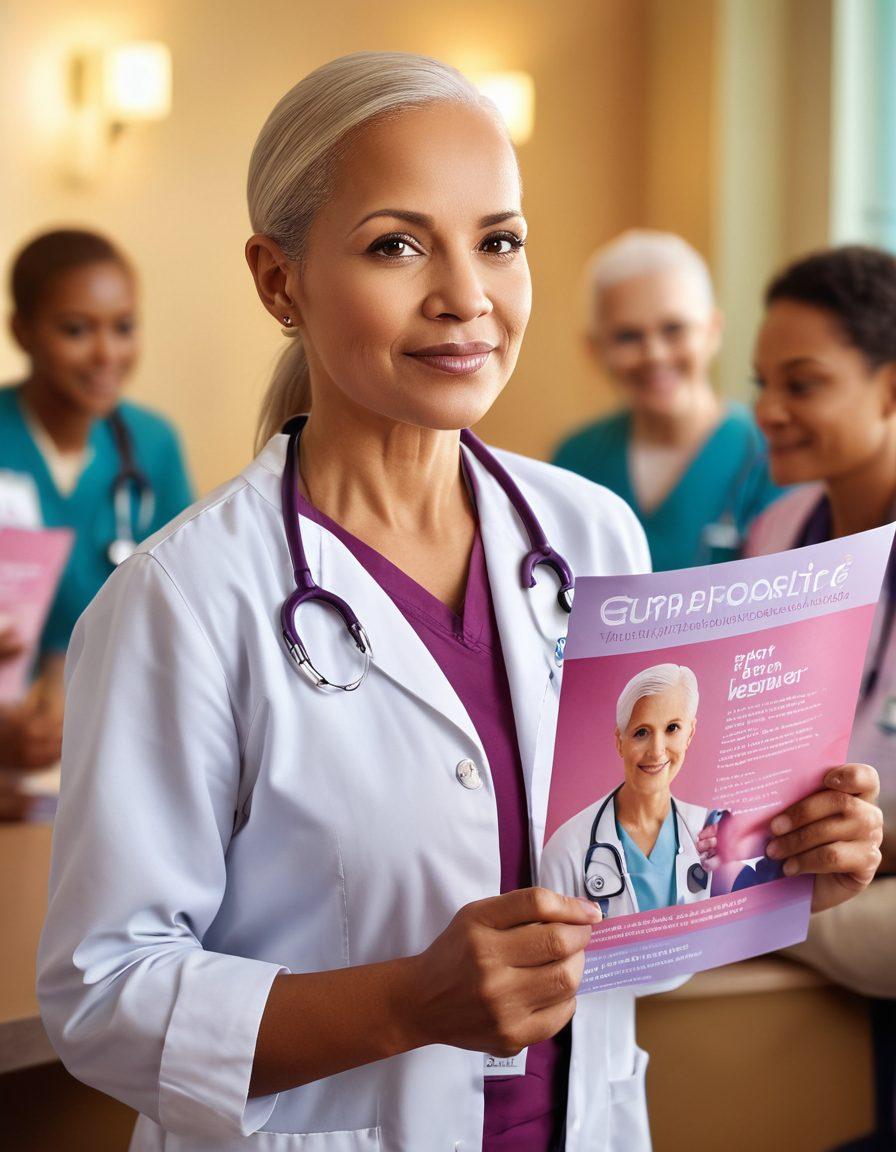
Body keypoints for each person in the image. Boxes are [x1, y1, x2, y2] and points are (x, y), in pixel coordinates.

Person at [37, 54, 884, 1152]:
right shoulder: (183, 602)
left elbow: (627, 920)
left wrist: (778, 870)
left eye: (498, 240)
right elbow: (104, 1000)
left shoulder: (588, 536)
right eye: (397, 244)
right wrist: (405, 1004)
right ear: (276, 280)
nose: (465, 296)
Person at [747, 245, 896, 1003]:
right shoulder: (777, 532)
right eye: (763, 384)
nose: (767, 410)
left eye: (801, 384)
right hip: (797, 865)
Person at [0, 229, 193, 794]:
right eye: (76, 330)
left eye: (123, 327)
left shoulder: (152, 444)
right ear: (22, 332)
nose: (107, 353)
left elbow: (184, 604)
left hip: (120, 739)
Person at [553, 231, 783, 571]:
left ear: (712, 331)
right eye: (627, 336)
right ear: (594, 349)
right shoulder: (575, 461)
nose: (654, 355)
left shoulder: (771, 458)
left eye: (673, 329)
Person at [540, 664, 722, 915]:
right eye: (642, 732)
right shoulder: (566, 850)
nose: (657, 750)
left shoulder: (714, 832)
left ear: (690, 733)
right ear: (620, 742)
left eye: (672, 728)